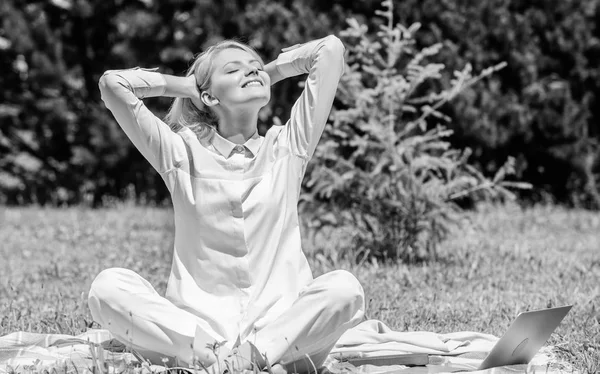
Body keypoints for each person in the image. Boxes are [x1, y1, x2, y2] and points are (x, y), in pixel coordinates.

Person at [88, 35, 365, 374]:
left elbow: (331, 50)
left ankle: (248, 359)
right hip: (197, 332)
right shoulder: (180, 153)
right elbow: (112, 84)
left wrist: (269, 72)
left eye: (254, 67)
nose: (250, 72)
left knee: (345, 289)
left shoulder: (287, 147)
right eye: (234, 70)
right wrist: (188, 87)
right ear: (208, 96)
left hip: (283, 334)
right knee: (107, 288)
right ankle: (213, 356)